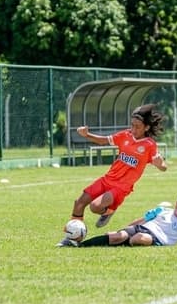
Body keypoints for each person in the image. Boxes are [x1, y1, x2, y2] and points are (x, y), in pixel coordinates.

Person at [57, 104, 168, 247]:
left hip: (121, 187)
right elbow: (104, 140)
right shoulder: (125, 135)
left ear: (146, 127)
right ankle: (72, 240)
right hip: (107, 179)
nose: (133, 129)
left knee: (95, 207)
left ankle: (109, 211)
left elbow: (163, 167)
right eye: (132, 125)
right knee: (79, 203)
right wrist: (87, 135)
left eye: (137, 127)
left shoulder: (149, 145)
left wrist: (160, 164)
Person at [74, 190, 177, 247]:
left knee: (139, 238)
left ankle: (123, 242)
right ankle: (79, 245)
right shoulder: (162, 210)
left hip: (154, 238)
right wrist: (123, 228)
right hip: (142, 229)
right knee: (119, 235)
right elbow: (141, 220)